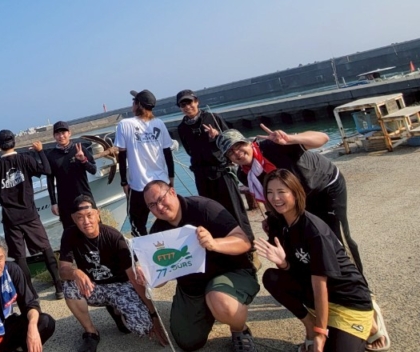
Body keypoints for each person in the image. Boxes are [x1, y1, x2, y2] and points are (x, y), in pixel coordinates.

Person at [255, 170, 383, 352]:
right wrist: (284, 264)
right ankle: (310, 323)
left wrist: (321, 334)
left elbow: (319, 285)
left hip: (348, 299)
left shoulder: (314, 230)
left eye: (281, 191)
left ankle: (370, 323)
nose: (275, 198)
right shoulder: (279, 224)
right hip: (318, 294)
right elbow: (299, 270)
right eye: (270, 192)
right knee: (272, 278)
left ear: (295, 193)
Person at [216, 125, 367, 274]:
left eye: (239, 146)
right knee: (307, 236)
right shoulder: (245, 175)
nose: (237, 153)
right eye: (230, 152)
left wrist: (290, 139)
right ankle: (321, 277)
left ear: (249, 143)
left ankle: (357, 281)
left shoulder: (274, 146)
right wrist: (271, 216)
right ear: (229, 159)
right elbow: (269, 197)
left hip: (325, 186)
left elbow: (323, 138)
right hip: (299, 197)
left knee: (336, 235)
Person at [143, 179, 259, 352]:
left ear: (172, 192)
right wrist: (147, 275)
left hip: (230, 272)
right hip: (192, 287)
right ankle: (207, 309)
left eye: (161, 199)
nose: (159, 207)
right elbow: (159, 281)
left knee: (221, 302)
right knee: (187, 341)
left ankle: (239, 330)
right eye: (152, 205)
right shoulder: (157, 232)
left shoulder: (204, 208)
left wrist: (215, 243)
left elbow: (244, 242)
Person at [58, 195, 167, 352]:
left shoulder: (114, 237)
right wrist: (75, 272)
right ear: (73, 219)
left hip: (120, 286)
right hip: (93, 286)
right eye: (79, 217)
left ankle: (117, 310)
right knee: (69, 286)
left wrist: (153, 314)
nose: (86, 221)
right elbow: (62, 270)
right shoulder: (70, 234)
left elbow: (134, 278)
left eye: (89, 215)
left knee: (142, 327)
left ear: (98, 214)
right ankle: (91, 333)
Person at [0, 130, 63, 299]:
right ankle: (58, 285)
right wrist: (40, 151)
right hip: (30, 214)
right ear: (14, 142)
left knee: (20, 257)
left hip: (11, 219)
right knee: (45, 248)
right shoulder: (25, 159)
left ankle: (30, 293)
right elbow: (47, 170)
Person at [175, 89, 252, 238]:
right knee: (210, 210)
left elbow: (233, 141)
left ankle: (247, 241)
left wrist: (217, 136)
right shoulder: (182, 128)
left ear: (196, 102)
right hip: (201, 174)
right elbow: (189, 150)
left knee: (234, 208)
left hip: (221, 171)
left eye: (189, 102)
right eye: (183, 105)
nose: (187, 107)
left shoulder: (212, 117)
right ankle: (221, 241)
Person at [115, 89, 175, 237]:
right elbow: (167, 152)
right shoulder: (159, 123)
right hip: (161, 183)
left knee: (137, 226)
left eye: (133, 101)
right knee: (170, 218)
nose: (132, 104)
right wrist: (171, 177)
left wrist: (124, 182)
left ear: (138, 105)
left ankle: (145, 250)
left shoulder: (124, 124)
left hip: (139, 186)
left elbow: (122, 155)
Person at [45, 121, 97, 231]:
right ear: (54, 136)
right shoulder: (51, 155)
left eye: (63, 133)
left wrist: (83, 160)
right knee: (70, 232)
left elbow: (93, 170)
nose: (61, 136)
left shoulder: (79, 148)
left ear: (69, 133)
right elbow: (50, 181)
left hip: (84, 196)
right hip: (65, 201)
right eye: (58, 134)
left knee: (92, 228)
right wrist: (53, 202)